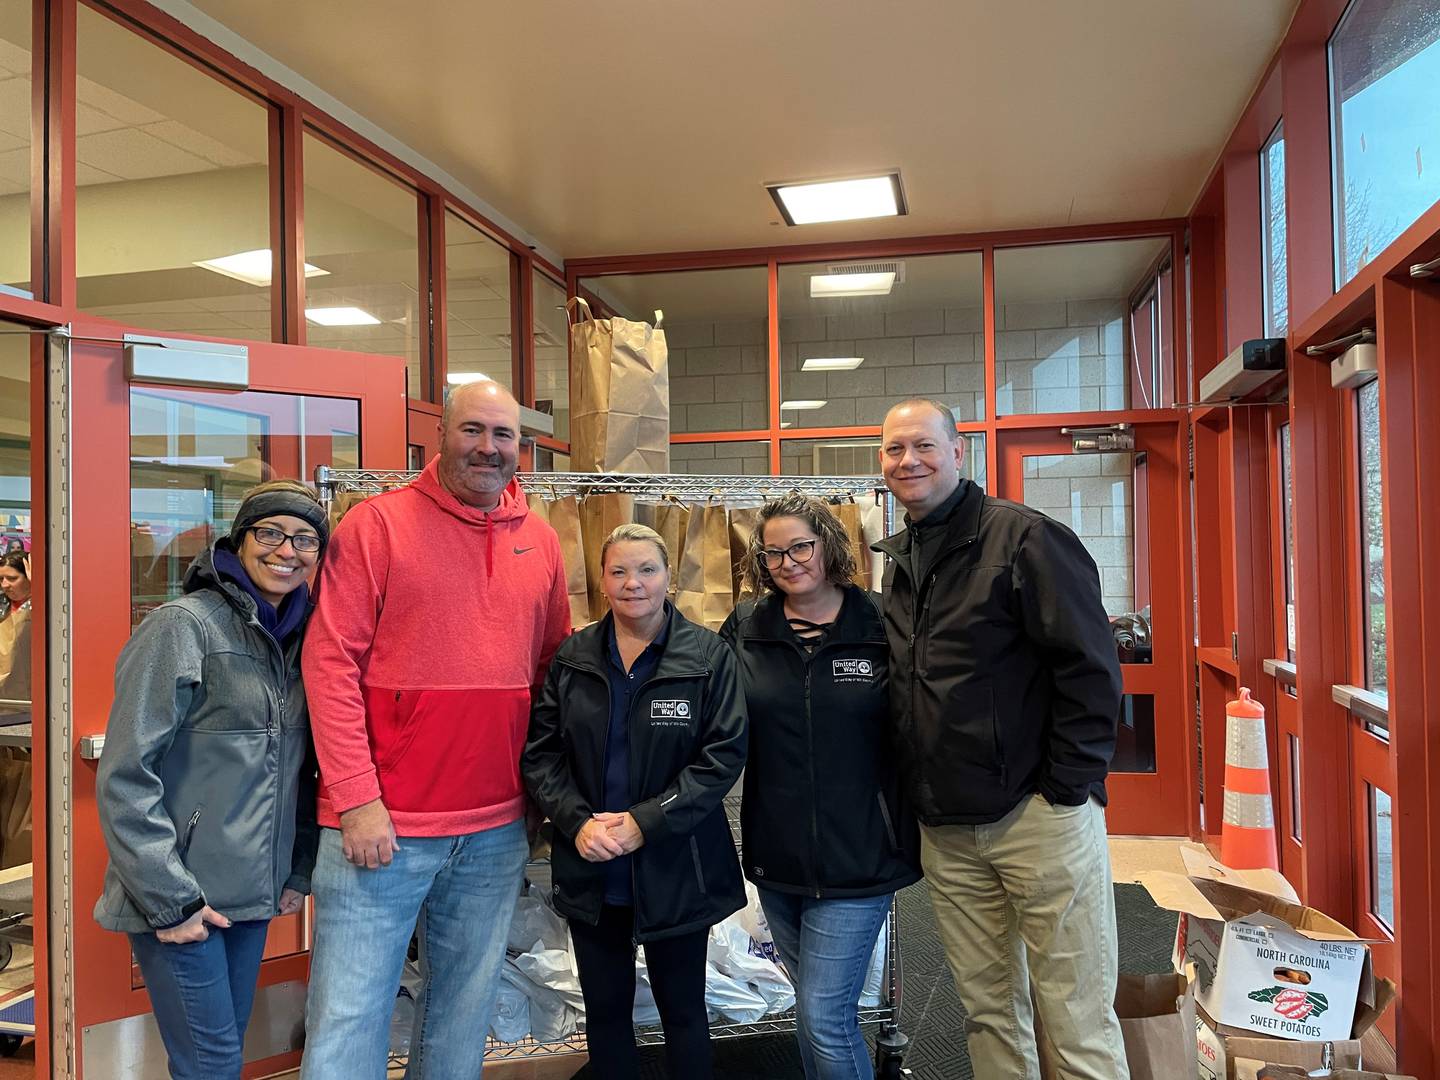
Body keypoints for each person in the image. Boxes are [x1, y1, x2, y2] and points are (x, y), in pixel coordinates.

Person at [300, 380, 570, 1080]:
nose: (489, 447)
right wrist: (356, 798)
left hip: (493, 828)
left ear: (522, 447)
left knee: (462, 1014)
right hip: (380, 829)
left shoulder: (539, 541)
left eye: (504, 435)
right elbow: (329, 665)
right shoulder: (376, 526)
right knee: (349, 1020)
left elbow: (551, 676)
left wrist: (540, 795)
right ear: (441, 435)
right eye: (473, 430)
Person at [875, 398, 1129, 1080]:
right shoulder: (899, 561)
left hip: (1037, 818)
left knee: (1075, 1013)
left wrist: (1063, 789)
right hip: (949, 830)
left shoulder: (1024, 540)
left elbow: (1092, 672)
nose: (910, 460)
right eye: (895, 449)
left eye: (924, 445)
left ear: (961, 453)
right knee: (988, 1011)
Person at [93, 479, 327, 1080]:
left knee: (215, 1060)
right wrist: (172, 901)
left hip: (249, 897)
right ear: (239, 541)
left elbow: (302, 772)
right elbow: (125, 774)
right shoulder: (183, 626)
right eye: (270, 532)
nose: (287, 550)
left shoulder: (302, 640)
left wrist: (295, 870)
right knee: (212, 1064)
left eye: (305, 539)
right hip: (177, 897)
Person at [523, 523, 747, 1080]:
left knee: (684, 1014)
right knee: (604, 1014)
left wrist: (647, 822)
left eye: (646, 569)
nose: (633, 583)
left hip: (676, 864)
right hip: (593, 864)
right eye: (618, 570)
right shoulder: (573, 656)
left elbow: (722, 756)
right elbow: (541, 754)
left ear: (669, 577)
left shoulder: (707, 656)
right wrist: (576, 824)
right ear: (601, 580)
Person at [721, 496, 920, 1080]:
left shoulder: (882, 623)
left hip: (862, 852)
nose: (788, 562)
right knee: (815, 1013)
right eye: (774, 551)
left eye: (800, 547)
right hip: (776, 853)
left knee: (824, 1014)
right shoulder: (748, 627)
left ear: (829, 547)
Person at [0, 552, 32, 711]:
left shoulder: (44, 609)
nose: (5, 585)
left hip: (28, 702)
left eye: (12, 579)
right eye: (1, 579)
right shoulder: (2, 608)